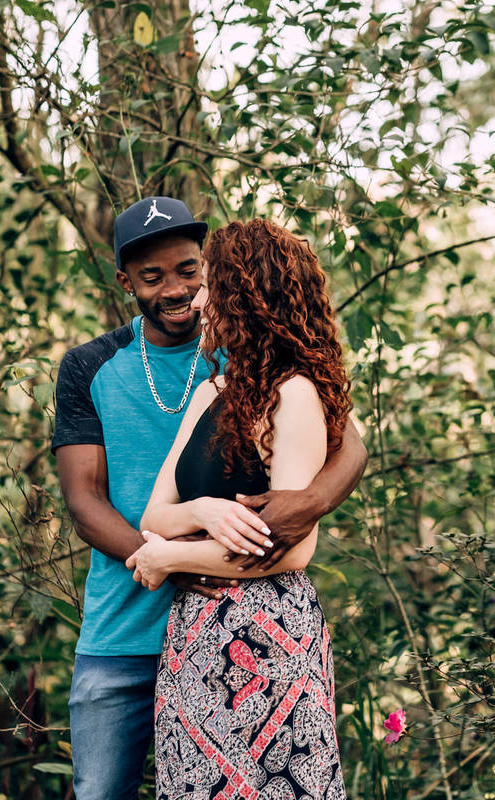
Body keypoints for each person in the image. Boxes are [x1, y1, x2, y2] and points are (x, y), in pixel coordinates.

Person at [51, 198, 366, 800]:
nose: (179, 292)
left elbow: (346, 440)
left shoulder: (247, 353)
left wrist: (305, 506)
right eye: (152, 276)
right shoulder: (92, 365)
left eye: (190, 272)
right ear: (125, 282)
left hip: (246, 623)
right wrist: (170, 554)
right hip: (128, 626)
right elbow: (85, 502)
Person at [124, 219, 351, 799]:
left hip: (268, 635)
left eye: (210, 287)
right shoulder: (211, 391)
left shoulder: (294, 395)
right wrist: (202, 510)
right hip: (194, 636)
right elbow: (153, 517)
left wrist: (169, 557)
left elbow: (292, 549)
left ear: (246, 297)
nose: (200, 301)